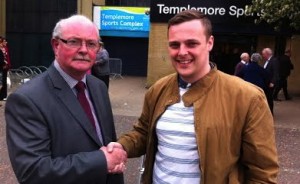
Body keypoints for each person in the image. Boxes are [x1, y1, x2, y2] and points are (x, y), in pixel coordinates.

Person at [108, 10, 279, 183]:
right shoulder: (157, 89)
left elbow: (263, 173)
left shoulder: (248, 97)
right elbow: (144, 133)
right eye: (175, 45)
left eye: (191, 43)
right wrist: (123, 146)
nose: (182, 52)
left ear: (209, 43)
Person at [5, 15, 126, 184]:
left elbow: (107, 144)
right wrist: (102, 161)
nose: (84, 50)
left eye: (91, 44)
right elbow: (33, 172)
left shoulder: (98, 87)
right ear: (56, 45)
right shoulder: (27, 99)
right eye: (74, 42)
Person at [262, 48, 279, 113]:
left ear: (267, 54)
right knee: (266, 98)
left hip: (270, 83)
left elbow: (276, 72)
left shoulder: (274, 61)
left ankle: (270, 112)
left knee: (269, 98)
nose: (262, 55)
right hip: (266, 83)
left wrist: (272, 82)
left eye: (263, 54)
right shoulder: (267, 61)